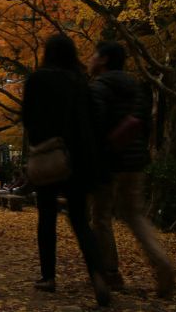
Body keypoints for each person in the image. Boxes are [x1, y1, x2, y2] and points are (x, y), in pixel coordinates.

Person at [22, 34, 110, 306]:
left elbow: (27, 118)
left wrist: (37, 145)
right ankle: (98, 275)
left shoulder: (37, 79)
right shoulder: (80, 81)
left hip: (50, 156)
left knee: (46, 218)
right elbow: (93, 121)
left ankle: (48, 277)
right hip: (79, 159)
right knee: (81, 221)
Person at [88, 41, 175, 296]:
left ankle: (110, 273)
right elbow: (146, 123)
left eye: (94, 55)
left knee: (100, 217)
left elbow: (95, 125)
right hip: (136, 161)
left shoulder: (100, 87)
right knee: (135, 216)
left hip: (108, 163)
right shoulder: (136, 88)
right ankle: (163, 264)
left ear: (103, 60)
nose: (90, 59)